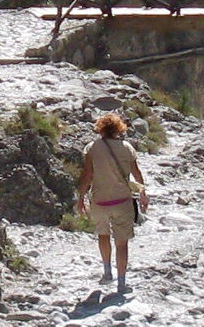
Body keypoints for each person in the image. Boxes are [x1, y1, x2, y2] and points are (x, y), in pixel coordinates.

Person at [76, 113, 149, 292]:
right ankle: (122, 283)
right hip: (122, 202)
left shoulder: (91, 148)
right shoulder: (127, 148)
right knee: (122, 243)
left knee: (103, 236)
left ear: (100, 128)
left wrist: (81, 198)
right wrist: (143, 194)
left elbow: (87, 175)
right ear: (119, 128)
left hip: (99, 202)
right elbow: (137, 174)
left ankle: (107, 271)